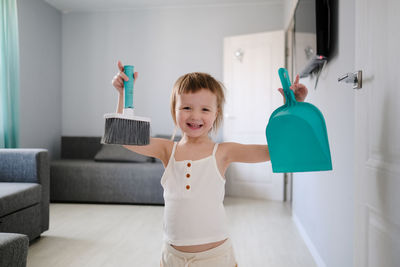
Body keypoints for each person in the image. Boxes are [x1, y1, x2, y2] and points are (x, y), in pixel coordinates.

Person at [111, 61, 308, 267]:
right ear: (174, 110)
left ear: (216, 114)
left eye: (205, 109)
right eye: (186, 107)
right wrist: (124, 94)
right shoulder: (168, 150)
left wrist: (293, 108)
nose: (195, 115)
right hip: (172, 257)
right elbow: (123, 136)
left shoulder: (223, 152)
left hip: (214, 258)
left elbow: (275, 151)